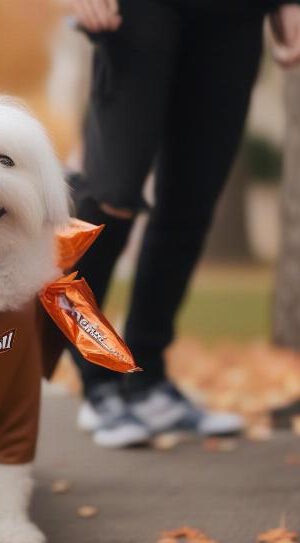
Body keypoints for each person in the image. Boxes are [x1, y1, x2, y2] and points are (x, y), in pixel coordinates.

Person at [68, 0, 300, 448]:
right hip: (138, 10)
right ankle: (98, 382)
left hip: (234, 16)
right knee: (112, 195)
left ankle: (148, 378)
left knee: (190, 205)